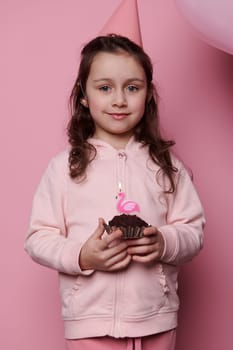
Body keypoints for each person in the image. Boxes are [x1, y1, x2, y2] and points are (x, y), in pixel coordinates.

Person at [25, 34, 205, 350]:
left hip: (156, 319)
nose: (119, 99)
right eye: (105, 87)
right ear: (83, 95)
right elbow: (38, 238)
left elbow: (193, 232)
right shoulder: (63, 168)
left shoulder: (168, 167)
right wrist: (81, 256)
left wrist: (165, 242)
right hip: (88, 324)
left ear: (148, 94)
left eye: (132, 87)